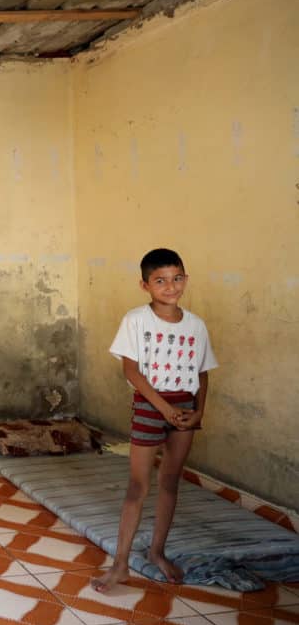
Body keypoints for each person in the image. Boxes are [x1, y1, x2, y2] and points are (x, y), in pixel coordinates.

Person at [92, 248, 218, 592]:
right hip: (151, 406)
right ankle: (119, 565)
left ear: (185, 280)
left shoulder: (196, 325)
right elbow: (131, 370)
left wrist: (199, 412)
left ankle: (157, 552)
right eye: (160, 280)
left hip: (186, 408)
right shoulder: (136, 320)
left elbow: (203, 373)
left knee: (171, 481)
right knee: (138, 486)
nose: (170, 286)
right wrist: (164, 409)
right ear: (145, 285)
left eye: (177, 278)